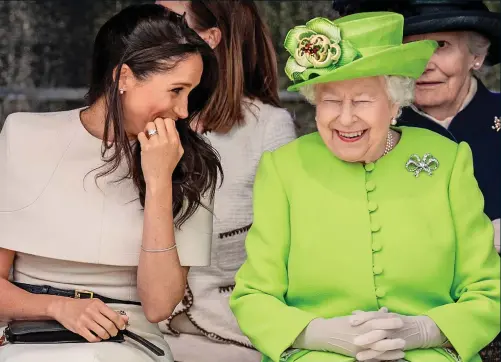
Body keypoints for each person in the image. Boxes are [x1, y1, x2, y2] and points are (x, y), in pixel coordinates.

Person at [230, 12, 500, 362]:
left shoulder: (447, 161)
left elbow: (488, 290)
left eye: (361, 101)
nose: (345, 118)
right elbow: (253, 297)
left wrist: (423, 330)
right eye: (330, 101)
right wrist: (319, 334)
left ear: (394, 105)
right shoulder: (284, 169)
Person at [0, 4, 222, 362]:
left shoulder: (192, 163)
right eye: (176, 90)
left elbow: (158, 305)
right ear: (123, 77)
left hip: (127, 338)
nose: (183, 111)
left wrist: (159, 180)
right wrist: (57, 307)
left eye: (190, 94)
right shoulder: (24, 136)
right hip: (30, 330)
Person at [153, 1, 296, 361]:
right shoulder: (140, 114)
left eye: (168, 21)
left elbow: (289, 254)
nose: (150, 30)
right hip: (137, 326)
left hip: (230, 333)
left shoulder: (268, 128)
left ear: (209, 38)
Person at [332, 0, 501, 253]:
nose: (423, 64)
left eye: (440, 46)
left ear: (477, 55)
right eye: (408, 48)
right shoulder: (365, 130)